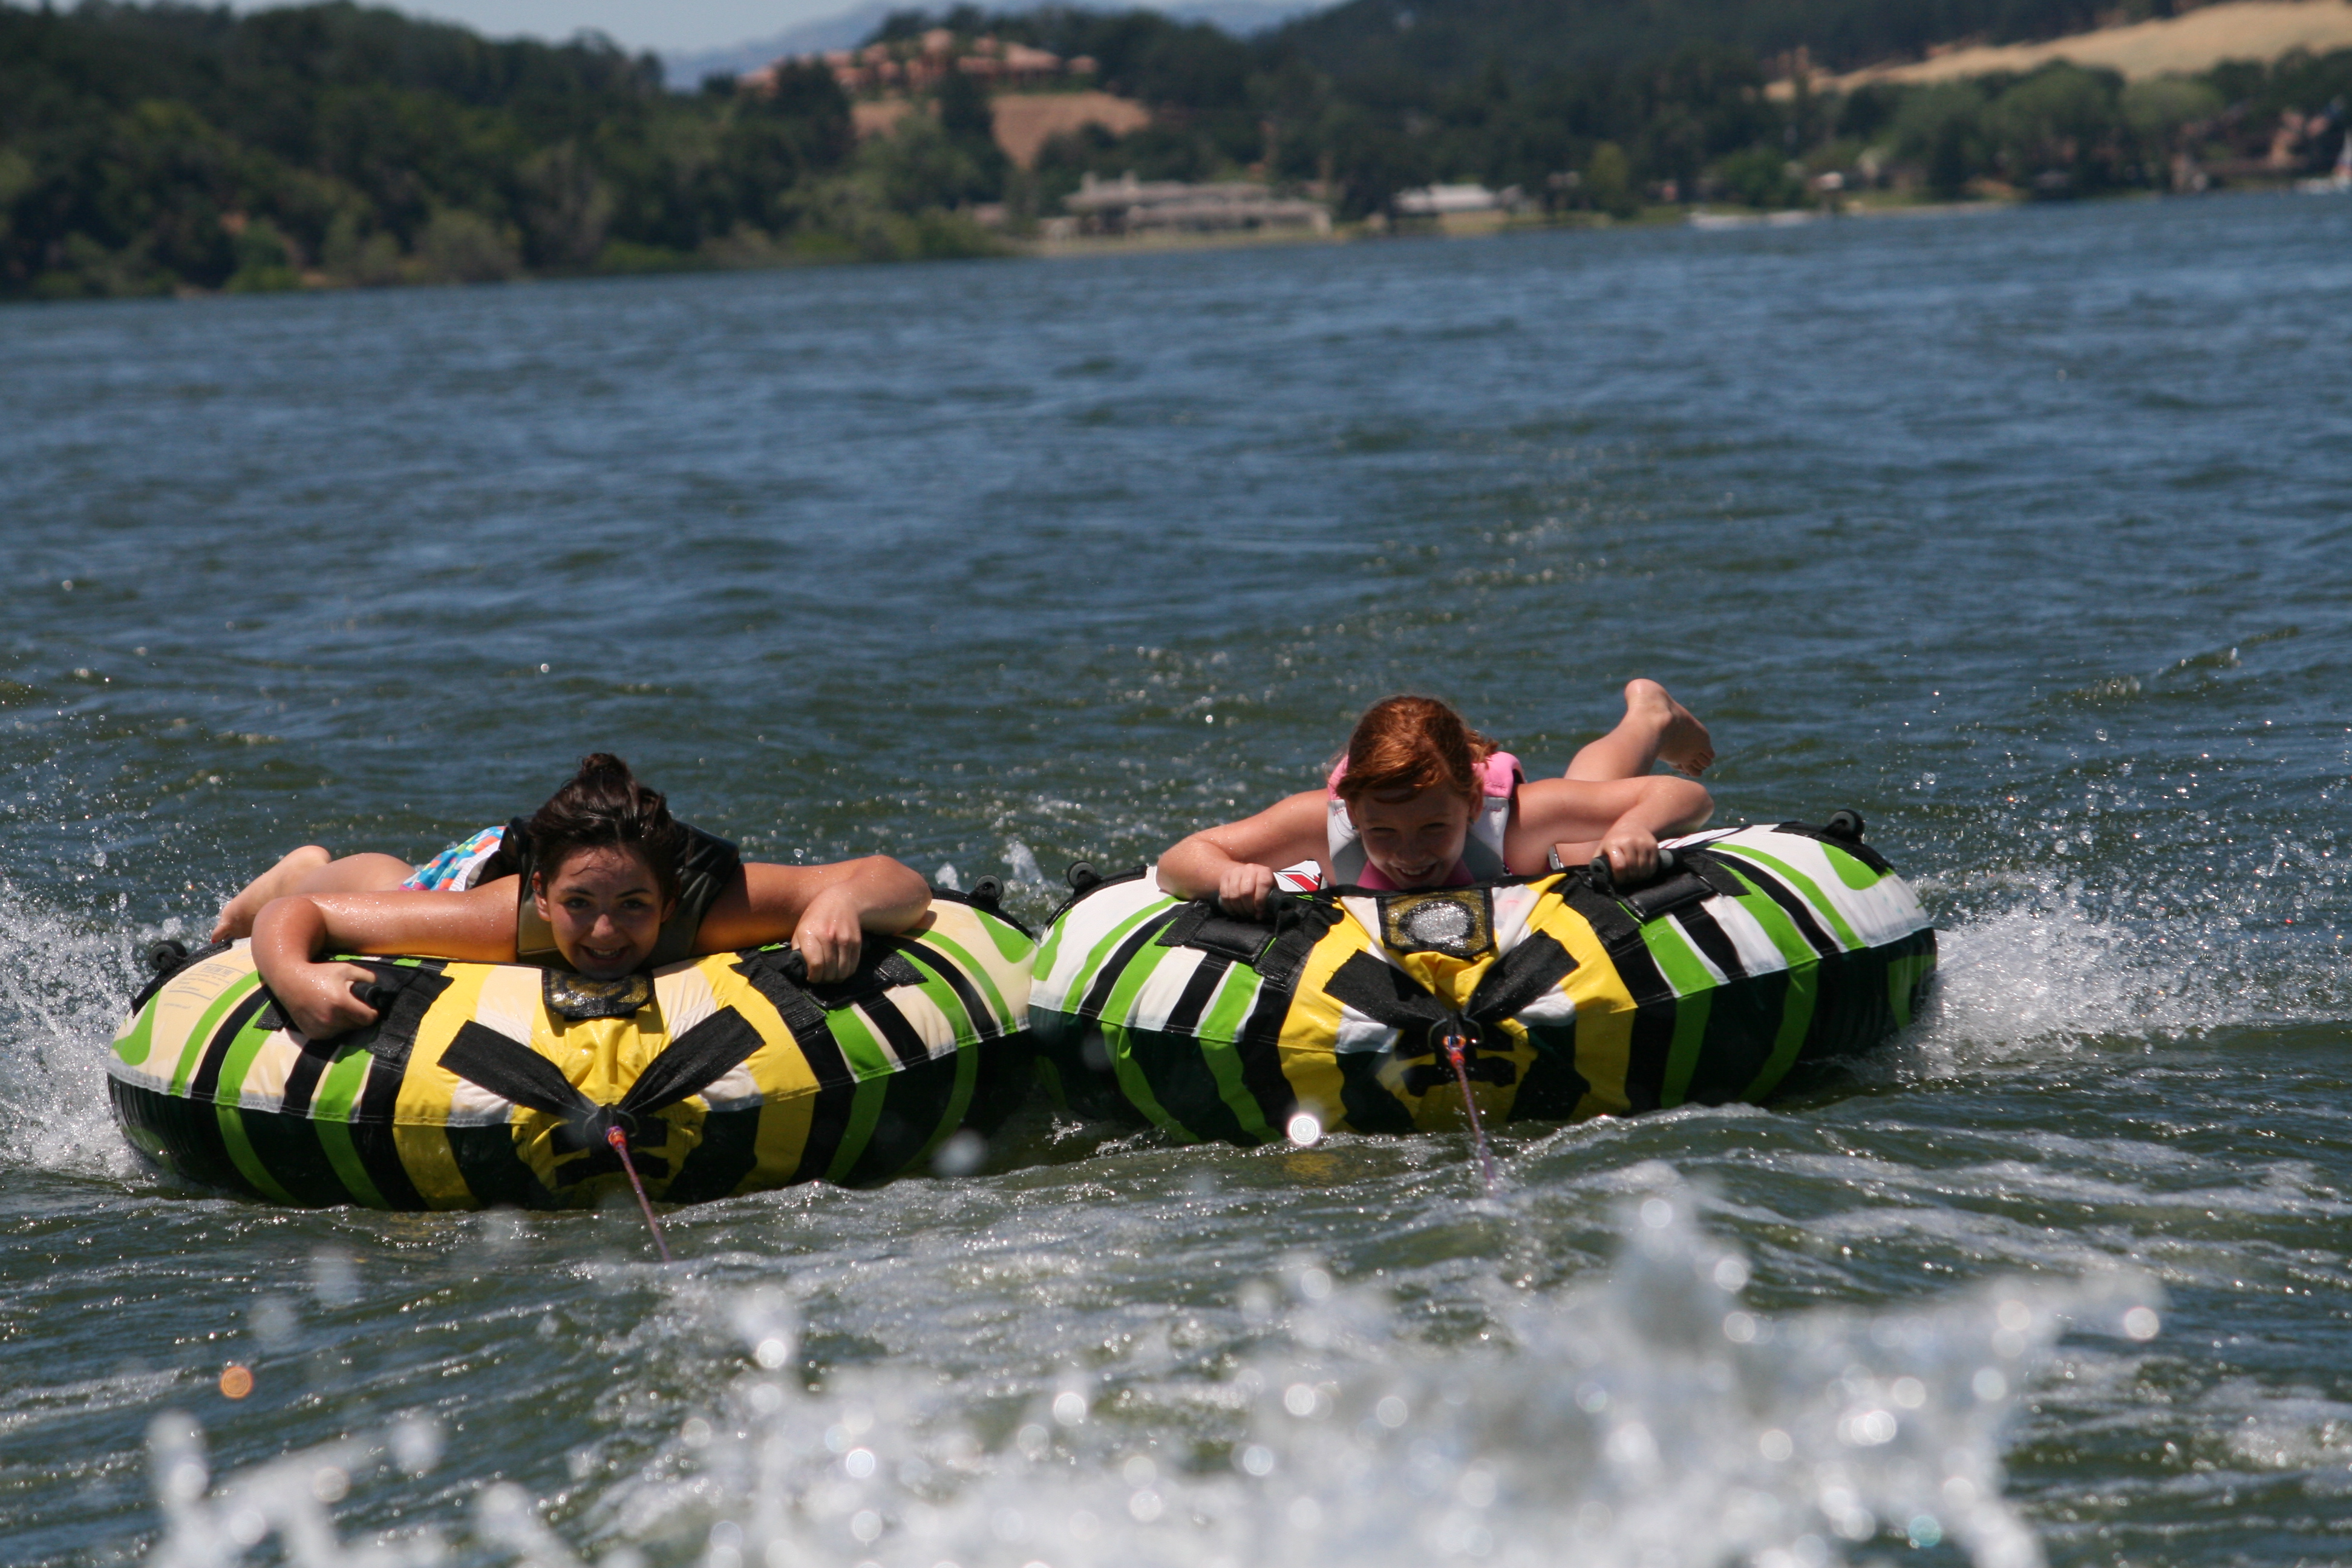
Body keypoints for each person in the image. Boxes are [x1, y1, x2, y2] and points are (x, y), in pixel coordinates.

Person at [237, 754, 931, 1040]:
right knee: (384, 881)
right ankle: (305, 861)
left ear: (669, 900)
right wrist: (294, 976)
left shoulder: (710, 908)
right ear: (545, 898)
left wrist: (841, 904)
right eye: (580, 907)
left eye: (633, 907)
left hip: (583, 862)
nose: (604, 933)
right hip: (478, 873)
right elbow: (301, 917)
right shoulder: (500, 919)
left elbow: (896, 879)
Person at [1156, 681, 1715, 912]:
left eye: (1432, 829)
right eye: (1383, 833)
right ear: (1354, 814)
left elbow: (1683, 795)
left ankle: (1650, 718)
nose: (1409, 853)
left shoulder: (1510, 821)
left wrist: (1632, 829)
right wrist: (1230, 876)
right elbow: (1179, 860)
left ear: (1469, 807)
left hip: (1518, 850)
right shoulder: (1320, 825)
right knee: (1585, 811)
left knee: (1584, 838)